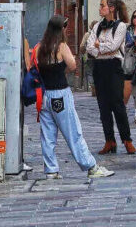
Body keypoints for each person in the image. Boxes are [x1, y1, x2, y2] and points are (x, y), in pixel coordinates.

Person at [34, 14, 114, 180]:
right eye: (65, 26)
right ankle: (90, 166)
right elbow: (72, 65)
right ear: (60, 29)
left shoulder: (40, 47)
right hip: (60, 94)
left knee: (47, 136)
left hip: (44, 96)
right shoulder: (61, 46)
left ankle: (51, 170)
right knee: (73, 132)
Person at [87, 0, 135, 155]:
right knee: (103, 106)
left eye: (102, 6)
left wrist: (99, 45)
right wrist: (101, 48)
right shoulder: (97, 26)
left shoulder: (121, 26)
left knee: (118, 104)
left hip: (114, 67)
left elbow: (115, 46)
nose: (100, 8)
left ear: (112, 8)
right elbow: (89, 47)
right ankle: (109, 141)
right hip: (99, 66)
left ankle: (127, 140)